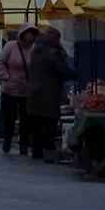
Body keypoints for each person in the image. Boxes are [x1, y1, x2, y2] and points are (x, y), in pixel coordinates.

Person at [26, 26, 76, 161]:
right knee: (49, 124)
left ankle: (36, 152)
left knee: (35, 125)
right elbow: (62, 71)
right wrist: (75, 74)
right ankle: (49, 152)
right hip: (48, 93)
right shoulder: (54, 52)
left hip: (32, 92)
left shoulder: (35, 50)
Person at [0, 22, 38, 155]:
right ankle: (7, 140)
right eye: (29, 34)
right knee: (9, 118)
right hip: (9, 89)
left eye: (33, 34)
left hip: (26, 90)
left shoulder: (34, 49)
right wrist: (6, 76)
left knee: (26, 119)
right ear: (22, 34)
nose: (31, 37)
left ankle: (23, 143)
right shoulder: (11, 46)